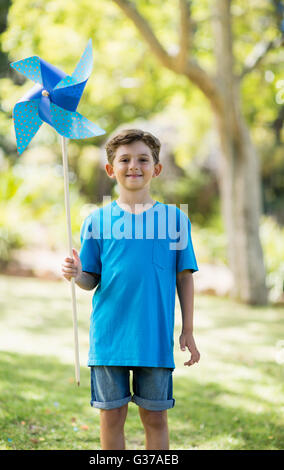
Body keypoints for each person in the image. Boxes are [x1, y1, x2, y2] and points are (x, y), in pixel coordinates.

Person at [61, 129, 200, 450]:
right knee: (111, 417)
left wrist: (188, 330)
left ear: (157, 168)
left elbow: (184, 277)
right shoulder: (96, 221)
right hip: (109, 338)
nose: (133, 166)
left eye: (142, 159)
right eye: (124, 160)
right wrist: (77, 273)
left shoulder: (176, 219)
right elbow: (90, 280)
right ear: (111, 169)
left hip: (154, 337)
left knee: (155, 418)